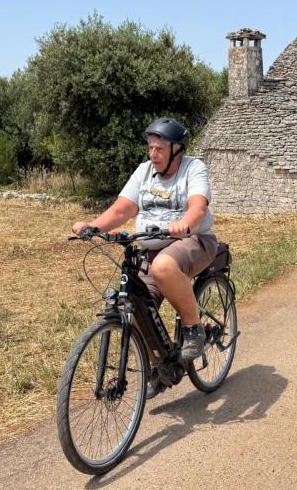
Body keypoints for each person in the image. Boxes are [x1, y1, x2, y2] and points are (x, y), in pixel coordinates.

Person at [71, 118, 216, 369]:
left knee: (163, 266)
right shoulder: (144, 171)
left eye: (159, 149)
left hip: (193, 241)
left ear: (177, 150)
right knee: (134, 307)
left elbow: (198, 207)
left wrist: (185, 223)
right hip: (151, 249)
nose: (153, 154)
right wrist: (93, 226)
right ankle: (161, 369)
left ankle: (194, 330)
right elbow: (121, 210)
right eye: (150, 148)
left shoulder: (193, 168)